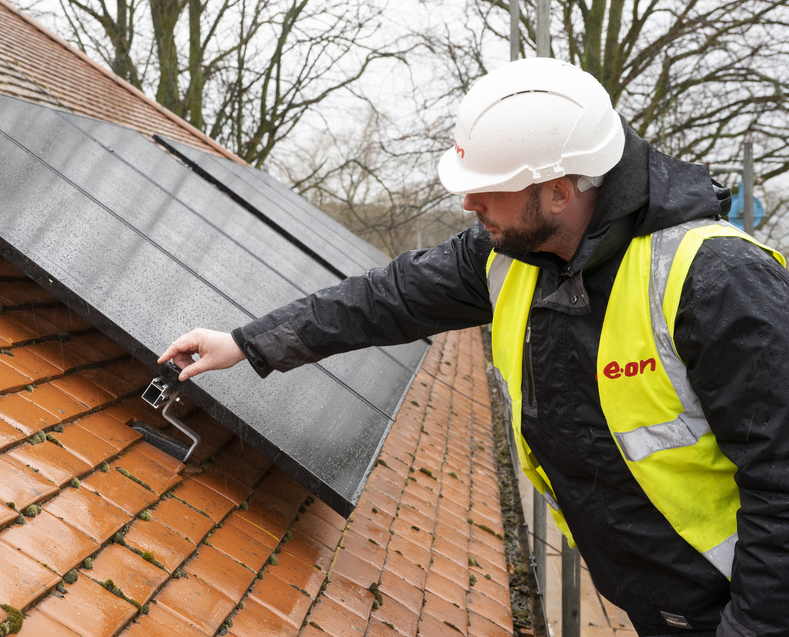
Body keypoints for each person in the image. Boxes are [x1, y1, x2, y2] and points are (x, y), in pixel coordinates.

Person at [159, 57, 789, 637]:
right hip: (658, 601)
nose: (469, 203)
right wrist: (246, 342)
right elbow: (384, 299)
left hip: (744, 606)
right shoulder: (508, 255)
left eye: (489, 187)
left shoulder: (717, 281)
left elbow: (781, 485)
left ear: (561, 190)